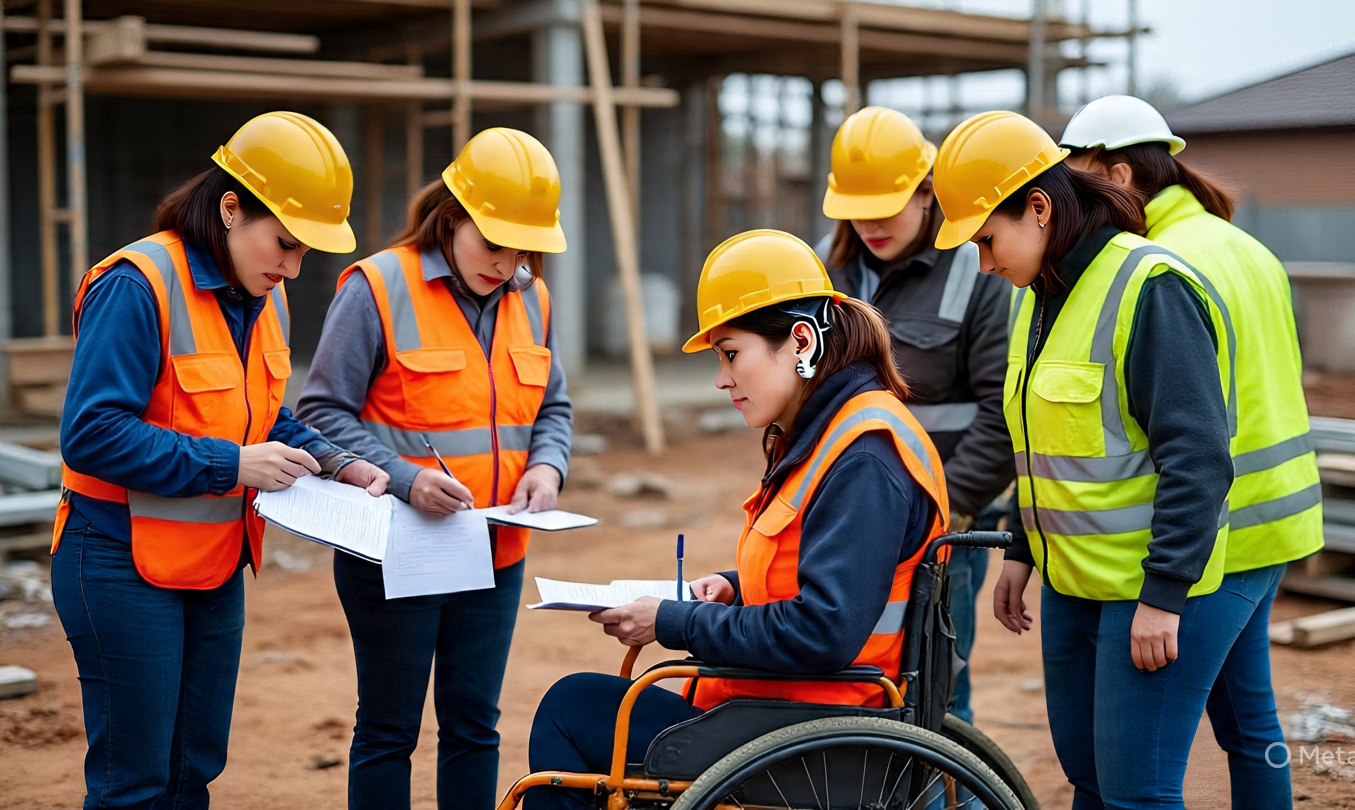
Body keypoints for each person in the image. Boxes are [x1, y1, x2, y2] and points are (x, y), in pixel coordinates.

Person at [524, 229, 950, 810]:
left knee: (571, 709)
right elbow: (823, 573)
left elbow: (824, 630)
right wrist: (733, 586)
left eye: (731, 353)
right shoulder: (832, 434)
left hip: (814, 729)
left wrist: (676, 622)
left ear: (800, 340)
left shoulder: (863, 457)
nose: (721, 378)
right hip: (787, 708)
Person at [52, 111, 388, 808]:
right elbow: (91, 433)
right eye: (286, 245)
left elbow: (265, 416)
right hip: (117, 557)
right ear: (231, 207)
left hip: (212, 564)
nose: (293, 267)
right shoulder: (139, 283)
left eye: (304, 254)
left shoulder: (265, 295)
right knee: (134, 783)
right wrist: (232, 466)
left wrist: (334, 460)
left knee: (192, 769)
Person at [932, 111, 1247, 809]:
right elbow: (1040, 441)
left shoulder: (1150, 286)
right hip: (1071, 590)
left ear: (1039, 208)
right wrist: (1019, 547)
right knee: (1088, 779)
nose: (985, 264)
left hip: (1144, 594)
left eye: (988, 240)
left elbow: (1198, 458)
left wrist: (1164, 595)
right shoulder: (1040, 294)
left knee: (1137, 792)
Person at [296, 126, 573, 809]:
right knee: (389, 729)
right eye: (492, 242)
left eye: (522, 248)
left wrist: (548, 466)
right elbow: (322, 413)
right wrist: (403, 476)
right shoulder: (378, 287)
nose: (506, 262)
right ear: (452, 216)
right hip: (397, 552)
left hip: (496, 550)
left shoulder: (532, 299)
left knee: (475, 726)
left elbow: (553, 406)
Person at [1060, 94, 1324, 808]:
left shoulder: (1158, 266)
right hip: (1277, 526)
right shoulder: (1243, 245)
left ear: (1118, 173)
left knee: (1142, 773)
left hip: (1216, 536)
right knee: (1249, 724)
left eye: (1079, 177)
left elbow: (1189, 431)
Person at [818, 106, 1014, 725]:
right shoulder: (827, 267)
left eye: (889, 204)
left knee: (936, 695)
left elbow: (1002, 412)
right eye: (859, 206)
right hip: (843, 519)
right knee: (852, 679)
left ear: (928, 191)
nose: (871, 222)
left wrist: (945, 508)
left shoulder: (978, 267)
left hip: (939, 525)